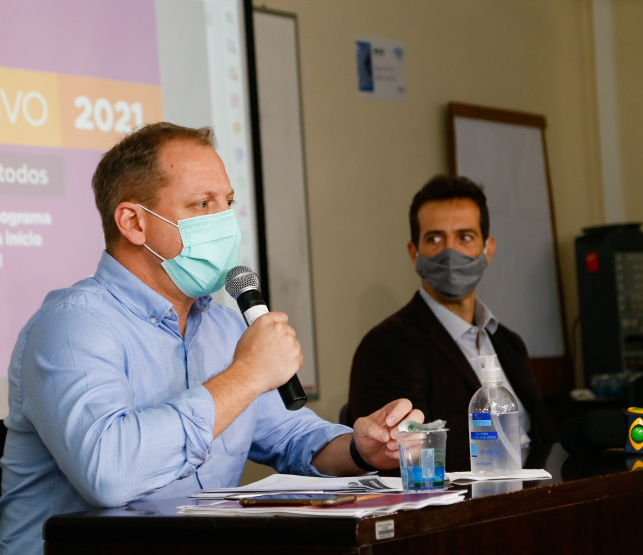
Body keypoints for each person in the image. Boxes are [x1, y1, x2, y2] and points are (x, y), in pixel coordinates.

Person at [0, 123, 422, 554]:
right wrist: (246, 375)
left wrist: (360, 447)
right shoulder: (72, 325)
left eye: (228, 204)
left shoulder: (223, 327)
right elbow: (111, 473)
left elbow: (294, 439)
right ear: (133, 222)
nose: (224, 222)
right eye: (202, 204)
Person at [348, 175, 557, 472]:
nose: (450, 252)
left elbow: (543, 439)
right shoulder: (385, 348)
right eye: (434, 239)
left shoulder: (508, 343)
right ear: (413, 252)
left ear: (489, 249)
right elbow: (399, 463)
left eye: (465, 237)